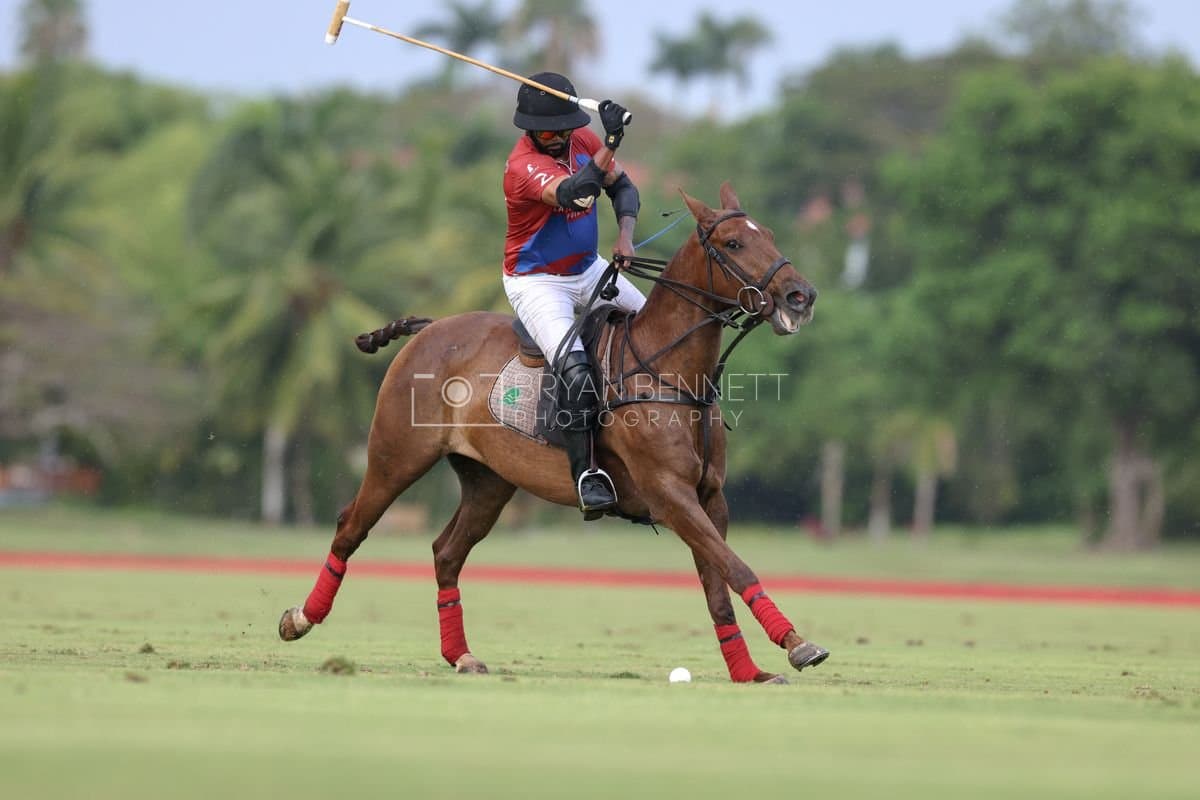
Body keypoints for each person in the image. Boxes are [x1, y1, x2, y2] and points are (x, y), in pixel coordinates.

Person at [502, 72, 647, 518]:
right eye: (550, 130)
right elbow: (576, 191)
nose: (560, 136)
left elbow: (623, 188)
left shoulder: (581, 140)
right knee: (578, 372)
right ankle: (587, 475)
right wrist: (613, 140)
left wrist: (625, 237)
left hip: (588, 269)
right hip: (537, 281)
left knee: (655, 332)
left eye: (565, 127)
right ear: (530, 129)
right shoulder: (521, 167)